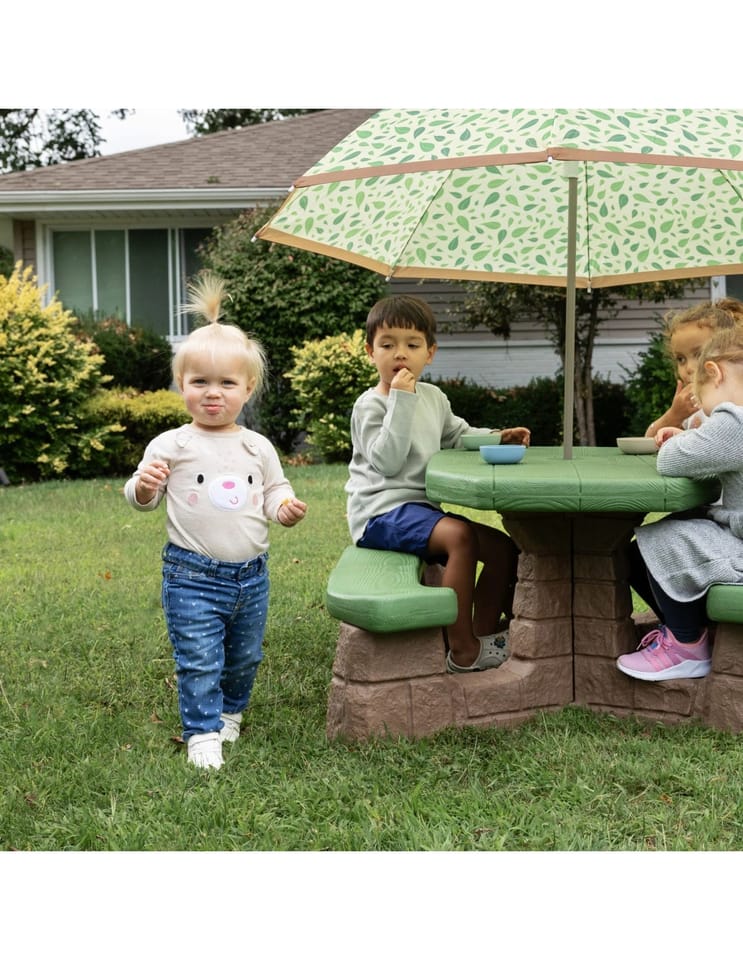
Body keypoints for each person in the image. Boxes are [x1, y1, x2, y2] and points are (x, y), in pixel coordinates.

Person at [124, 273, 307, 770]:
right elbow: (140, 497)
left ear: (248, 388)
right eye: (199, 382)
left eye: (226, 383)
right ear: (181, 384)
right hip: (192, 575)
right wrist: (144, 486)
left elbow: (273, 491)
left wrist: (283, 508)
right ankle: (202, 732)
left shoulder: (257, 447)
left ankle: (230, 711)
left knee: (245, 656)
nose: (213, 393)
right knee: (200, 657)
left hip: (252, 577)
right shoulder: (172, 445)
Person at [345, 294, 531, 674]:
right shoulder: (370, 406)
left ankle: (479, 635)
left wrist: (497, 437)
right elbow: (387, 461)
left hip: (421, 512)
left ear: (429, 353)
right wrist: (401, 400)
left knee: (503, 549)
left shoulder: (433, 397)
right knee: (459, 537)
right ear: (370, 352)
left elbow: (457, 435)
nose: (400, 354)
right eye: (387, 345)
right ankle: (462, 651)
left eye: (412, 345)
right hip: (380, 514)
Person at [617, 323, 743, 682]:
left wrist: (677, 443)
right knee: (655, 544)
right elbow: (716, 454)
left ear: (714, 373)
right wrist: (690, 437)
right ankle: (699, 631)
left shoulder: (734, 420)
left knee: (661, 538)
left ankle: (686, 646)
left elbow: (671, 461)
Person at [644, 298, 743, 438]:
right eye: (681, 359)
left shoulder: (736, 404)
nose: (689, 368)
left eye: (700, 354)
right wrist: (674, 415)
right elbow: (650, 440)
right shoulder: (691, 407)